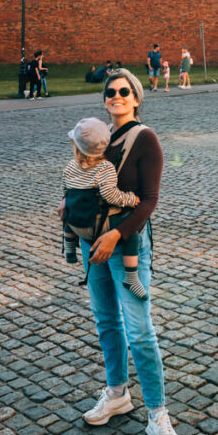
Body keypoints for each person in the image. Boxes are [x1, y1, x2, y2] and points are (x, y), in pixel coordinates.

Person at [59, 68, 181, 435]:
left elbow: (148, 200)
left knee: (141, 331)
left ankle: (158, 415)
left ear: (136, 97)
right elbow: (83, 184)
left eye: (124, 91)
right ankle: (116, 393)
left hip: (125, 245)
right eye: (111, 92)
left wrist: (118, 233)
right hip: (94, 248)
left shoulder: (145, 139)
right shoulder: (95, 137)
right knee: (107, 321)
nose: (116, 96)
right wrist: (68, 205)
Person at [62, 117, 146, 300]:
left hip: (75, 223)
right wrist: (131, 199)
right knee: (131, 232)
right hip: (96, 225)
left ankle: (68, 246)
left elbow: (67, 191)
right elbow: (111, 196)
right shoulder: (105, 168)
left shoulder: (70, 167)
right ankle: (131, 277)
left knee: (68, 208)